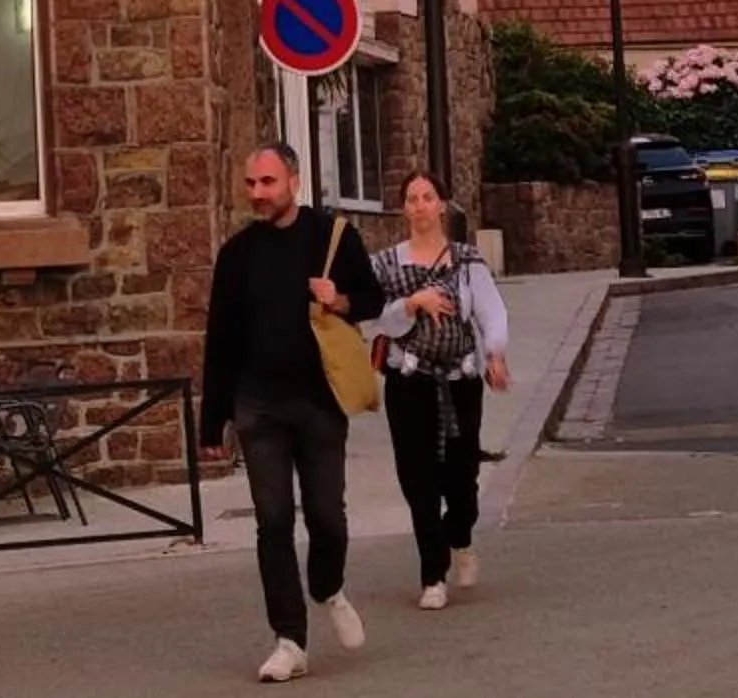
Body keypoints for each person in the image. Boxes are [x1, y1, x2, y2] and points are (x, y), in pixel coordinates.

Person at [199, 140, 385, 684]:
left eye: (268, 182)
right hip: (258, 407)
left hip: (320, 402)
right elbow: (220, 339)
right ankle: (289, 640)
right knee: (273, 522)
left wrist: (338, 299)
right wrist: (213, 420)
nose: (258, 193)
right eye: (251, 183)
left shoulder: (333, 237)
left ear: (293, 182)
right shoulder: (236, 255)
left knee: (328, 518)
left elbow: (372, 299)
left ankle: (327, 585)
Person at [368, 170, 510, 609]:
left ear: (442, 205)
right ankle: (433, 575)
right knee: (419, 480)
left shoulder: (466, 261)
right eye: (412, 199)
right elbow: (378, 318)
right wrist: (413, 303)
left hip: (459, 382)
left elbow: (491, 311)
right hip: (409, 382)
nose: (420, 206)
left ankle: (460, 536)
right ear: (404, 208)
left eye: (428, 197)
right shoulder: (386, 264)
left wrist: (495, 354)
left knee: (462, 480)